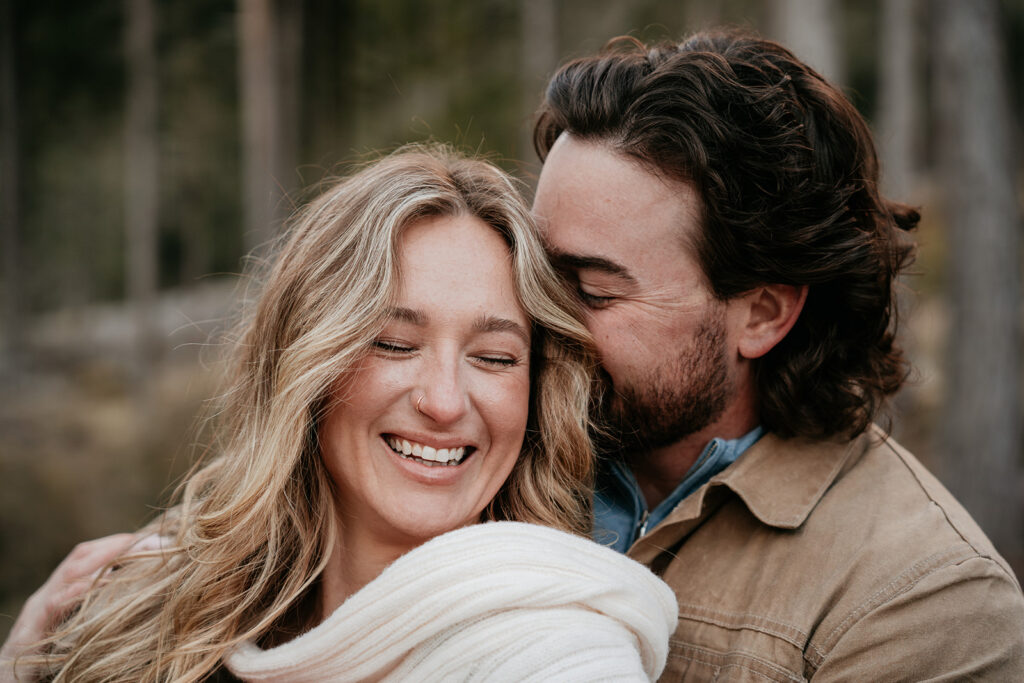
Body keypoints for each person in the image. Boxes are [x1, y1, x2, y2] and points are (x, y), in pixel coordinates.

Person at [1, 145, 676, 682]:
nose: (443, 401)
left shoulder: (553, 652)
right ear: (305, 363)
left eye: (495, 357)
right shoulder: (146, 610)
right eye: (393, 343)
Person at [530, 29, 1024, 680]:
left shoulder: (925, 596)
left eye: (594, 291)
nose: (538, 318)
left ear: (763, 313)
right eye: (533, 275)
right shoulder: (483, 452)